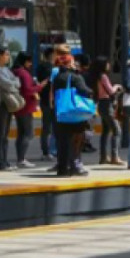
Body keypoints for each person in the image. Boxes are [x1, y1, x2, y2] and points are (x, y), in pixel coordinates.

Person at [50, 45, 93, 177]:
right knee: (76, 141)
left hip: (61, 113)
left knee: (62, 142)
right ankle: (74, 166)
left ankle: (62, 168)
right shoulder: (75, 77)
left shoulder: (57, 76)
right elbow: (85, 91)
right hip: (75, 115)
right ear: (71, 62)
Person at [88, 56, 123, 166]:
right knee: (117, 130)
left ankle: (103, 157)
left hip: (101, 105)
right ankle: (115, 156)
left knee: (106, 131)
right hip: (107, 104)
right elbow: (110, 91)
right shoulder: (103, 76)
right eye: (107, 63)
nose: (109, 65)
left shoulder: (95, 77)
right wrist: (117, 86)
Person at [0, 47, 20, 171]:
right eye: (6, 54)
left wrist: (13, 84)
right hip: (0, 104)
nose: (8, 57)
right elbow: (6, 84)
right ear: (0, 56)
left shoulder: (6, 69)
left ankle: (5, 160)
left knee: (5, 134)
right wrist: (13, 84)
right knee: (0, 134)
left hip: (7, 104)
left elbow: (17, 82)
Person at [12, 52, 43, 168]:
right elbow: (28, 90)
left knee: (21, 133)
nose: (30, 64)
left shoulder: (15, 72)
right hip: (26, 106)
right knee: (27, 133)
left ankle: (20, 158)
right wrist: (40, 86)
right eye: (29, 61)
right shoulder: (23, 73)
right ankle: (21, 159)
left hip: (19, 106)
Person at [36, 47, 56, 162]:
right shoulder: (50, 69)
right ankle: (48, 151)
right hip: (50, 101)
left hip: (44, 100)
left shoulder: (40, 67)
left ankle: (47, 151)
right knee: (50, 128)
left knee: (47, 127)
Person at [76, 54, 97, 153]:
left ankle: (83, 143)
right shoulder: (90, 75)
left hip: (80, 101)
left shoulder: (77, 74)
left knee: (82, 124)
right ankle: (86, 144)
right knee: (89, 125)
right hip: (89, 101)